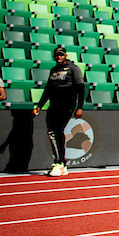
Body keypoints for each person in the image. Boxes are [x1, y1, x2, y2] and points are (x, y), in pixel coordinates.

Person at [34, 46, 85, 177]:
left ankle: (58, 162)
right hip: (53, 105)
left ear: (65, 55)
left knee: (54, 131)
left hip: (67, 105)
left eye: (61, 55)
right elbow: (48, 89)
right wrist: (40, 105)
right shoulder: (54, 70)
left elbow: (81, 88)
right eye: (56, 55)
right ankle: (62, 164)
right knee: (55, 132)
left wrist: (80, 107)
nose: (59, 57)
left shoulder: (74, 69)